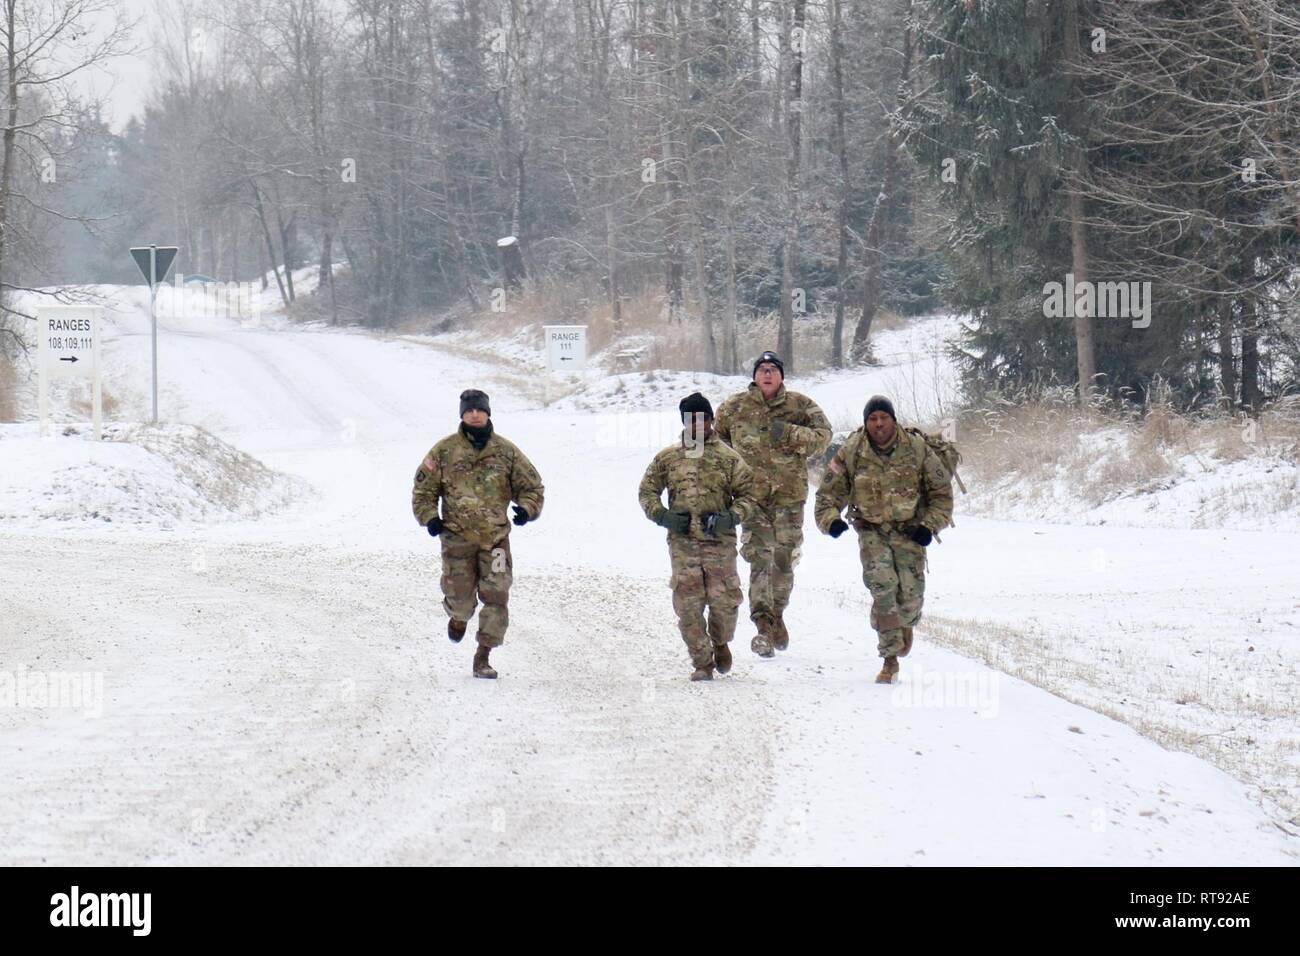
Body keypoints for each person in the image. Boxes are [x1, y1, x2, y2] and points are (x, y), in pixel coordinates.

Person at [814, 395, 953, 684]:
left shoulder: (917, 449)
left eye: (883, 418)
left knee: (910, 598)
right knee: (883, 587)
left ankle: (906, 623)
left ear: (893, 419)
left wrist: (929, 526)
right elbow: (827, 495)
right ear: (866, 423)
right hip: (872, 532)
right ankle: (889, 660)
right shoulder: (852, 451)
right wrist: (832, 522)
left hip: (910, 532)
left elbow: (941, 494)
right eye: (873, 419)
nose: (878, 424)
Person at [411, 389, 545, 679]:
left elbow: (533, 486)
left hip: (495, 540)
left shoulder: (506, 452)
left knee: (497, 594)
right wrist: (430, 518)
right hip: (457, 539)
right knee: (460, 598)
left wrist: (526, 509)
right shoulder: (444, 451)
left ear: (488, 413)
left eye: (480, 410)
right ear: (462, 414)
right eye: (469, 410)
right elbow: (423, 490)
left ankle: (483, 655)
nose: (474, 414)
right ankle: (458, 617)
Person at [714, 351, 831, 657]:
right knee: (759, 558)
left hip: (789, 498)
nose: (767, 374)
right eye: (762, 369)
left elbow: (823, 437)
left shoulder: (800, 405)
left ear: (781, 376)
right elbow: (717, 444)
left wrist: (790, 432)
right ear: (754, 376)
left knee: (784, 560)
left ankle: (777, 613)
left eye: (773, 370)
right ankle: (763, 626)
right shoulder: (734, 407)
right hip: (751, 499)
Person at [639, 392, 758, 681]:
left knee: (724, 603)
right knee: (688, 606)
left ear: (711, 421)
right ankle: (702, 662)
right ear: (684, 421)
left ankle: (720, 642)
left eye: (703, 419)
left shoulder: (729, 458)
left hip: (719, 543)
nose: (697, 425)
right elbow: (647, 491)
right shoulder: (668, 458)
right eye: (691, 419)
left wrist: (730, 517)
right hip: (683, 545)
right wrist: (664, 516)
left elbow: (750, 494)